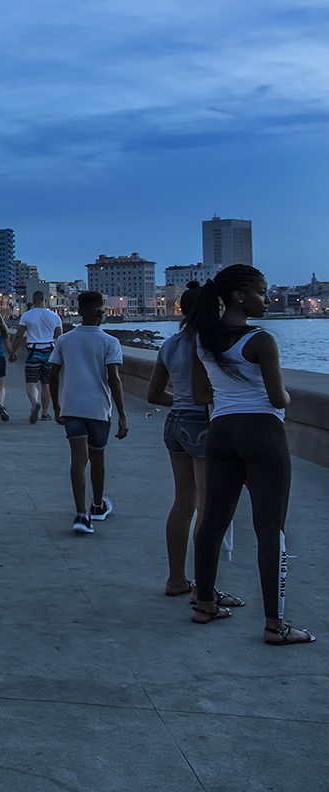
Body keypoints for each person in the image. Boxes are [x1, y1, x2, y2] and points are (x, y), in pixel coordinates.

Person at [186, 265, 314, 645]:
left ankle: (203, 604)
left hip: (221, 432)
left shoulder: (201, 339)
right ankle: (275, 625)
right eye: (261, 291)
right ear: (239, 295)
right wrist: (286, 396)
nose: (267, 298)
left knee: (213, 520)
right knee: (269, 529)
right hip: (263, 433)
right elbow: (278, 398)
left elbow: (200, 395)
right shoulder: (261, 340)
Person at [146, 282, 243, 608]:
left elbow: (153, 395)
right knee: (208, 506)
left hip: (175, 424)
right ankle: (205, 587)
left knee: (183, 502)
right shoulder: (210, 344)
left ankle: (176, 579)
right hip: (203, 427)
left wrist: (181, 402)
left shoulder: (171, 344)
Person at [50, 290, 127, 534]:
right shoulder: (109, 342)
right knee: (97, 457)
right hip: (98, 408)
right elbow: (114, 380)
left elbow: (52, 376)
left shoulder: (65, 340)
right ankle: (97, 505)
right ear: (100, 313)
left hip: (72, 407)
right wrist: (123, 415)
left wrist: (55, 406)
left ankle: (81, 515)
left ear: (79, 312)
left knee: (77, 459)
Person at [12, 290, 65, 423]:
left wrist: (12, 351)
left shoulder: (27, 315)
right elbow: (60, 338)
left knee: (31, 381)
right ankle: (45, 412)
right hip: (49, 351)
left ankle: (35, 403)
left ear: (33, 301)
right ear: (45, 300)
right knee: (46, 383)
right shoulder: (55, 317)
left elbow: (19, 335)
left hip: (33, 351)